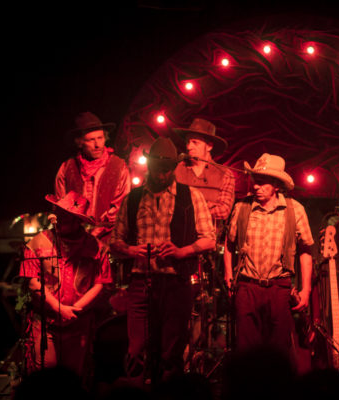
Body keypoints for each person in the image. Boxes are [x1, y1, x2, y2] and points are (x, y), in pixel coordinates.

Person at [109, 137, 215, 385]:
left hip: (175, 282)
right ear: (149, 166)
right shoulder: (133, 198)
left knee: (171, 349)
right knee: (136, 349)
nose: (161, 175)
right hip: (140, 282)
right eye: (157, 169)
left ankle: (168, 394)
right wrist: (132, 250)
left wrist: (181, 252)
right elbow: (114, 242)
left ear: (174, 168)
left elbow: (209, 239)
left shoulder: (191, 196)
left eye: (166, 170)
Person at [223, 153, 314, 359]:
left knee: (278, 352)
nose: (256, 186)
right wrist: (229, 274)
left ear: (276, 185)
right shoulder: (242, 207)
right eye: (255, 180)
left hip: (279, 288)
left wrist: (306, 289)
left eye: (263, 182)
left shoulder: (294, 210)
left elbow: (305, 250)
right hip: (247, 287)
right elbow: (229, 244)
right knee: (246, 352)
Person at [19, 191, 112, 379]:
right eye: (58, 213)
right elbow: (32, 281)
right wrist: (59, 308)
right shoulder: (37, 243)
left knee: (73, 376)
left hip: (79, 322)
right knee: (45, 373)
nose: (59, 219)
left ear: (78, 221)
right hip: (45, 322)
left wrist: (75, 309)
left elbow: (101, 283)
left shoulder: (96, 247)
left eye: (66, 216)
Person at [55, 111, 130, 243]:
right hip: (75, 242)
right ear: (80, 142)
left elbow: (122, 208)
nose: (97, 145)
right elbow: (61, 206)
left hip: (108, 241)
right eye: (91, 140)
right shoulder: (67, 168)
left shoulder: (119, 167)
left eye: (100, 138)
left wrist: (95, 233)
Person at [173, 118, 235, 239]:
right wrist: (209, 205)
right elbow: (168, 204)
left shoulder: (225, 174)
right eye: (187, 142)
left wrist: (188, 208)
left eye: (195, 142)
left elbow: (224, 211)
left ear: (209, 146)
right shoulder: (177, 169)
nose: (189, 146)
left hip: (208, 241)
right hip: (178, 239)